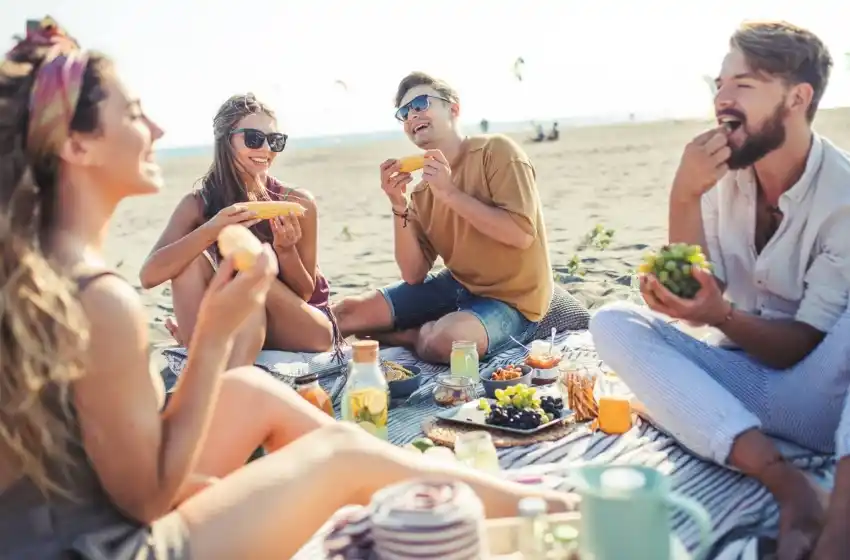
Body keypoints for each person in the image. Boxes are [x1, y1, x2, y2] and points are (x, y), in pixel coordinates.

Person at [0, 17, 580, 560]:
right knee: (339, 454)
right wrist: (213, 338)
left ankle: (496, 499)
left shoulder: (36, 269)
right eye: (134, 114)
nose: (158, 128)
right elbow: (145, 502)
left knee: (251, 390)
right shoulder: (101, 300)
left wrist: (274, 263)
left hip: (52, 521)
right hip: (97, 546)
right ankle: (565, 514)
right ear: (75, 147)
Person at [589, 21, 850, 559]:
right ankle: (790, 487)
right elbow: (691, 299)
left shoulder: (842, 196)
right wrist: (684, 195)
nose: (721, 100)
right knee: (612, 321)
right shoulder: (719, 170)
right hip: (739, 385)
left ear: (798, 98)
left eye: (745, 84)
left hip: (823, 399)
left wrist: (721, 314)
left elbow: (799, 345)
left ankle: (839, 533)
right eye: (719, 82)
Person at [332, 72, 554, 363]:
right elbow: (413, 274)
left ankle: (411, 336)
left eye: (421, 104)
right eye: (404, 112)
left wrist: (449, 193)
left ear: (454, 108)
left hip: (515, 300)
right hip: (458, 285)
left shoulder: (497, 152)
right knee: (344, 313)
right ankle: (418, 329)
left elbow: (520, 234)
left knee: (447, 341)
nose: (412, 116)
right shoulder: (423, 191)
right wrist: (398, 203)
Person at [139, 92, 339, 365]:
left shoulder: (296, 201)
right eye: (254, 139)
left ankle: (207, 350)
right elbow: (149, 275)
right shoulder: (198, 205)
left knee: (250, 275)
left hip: (304, 327)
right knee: (188, 261)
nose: (266, 149)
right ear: (225, 140)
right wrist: (212, 228)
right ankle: (207, 355)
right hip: (241, 322)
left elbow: (304, 293)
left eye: (275, 141)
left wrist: (286, 250)